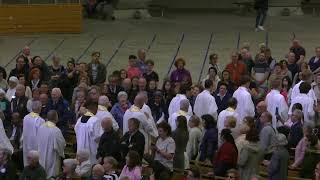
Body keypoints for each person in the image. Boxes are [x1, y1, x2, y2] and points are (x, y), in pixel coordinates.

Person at [38, 110, 66, 178]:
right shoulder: (56, 130)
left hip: (41, 154)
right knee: (51, 174)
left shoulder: (41, 127)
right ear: (56, 118)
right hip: (52, 156)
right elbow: (61, 144)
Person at [22, 101, 45, 166]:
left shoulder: (26, 117)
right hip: (36, 145)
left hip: (26, 143)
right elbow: (42, 136)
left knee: (27, 162)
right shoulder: (40, 120)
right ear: (39, 109)